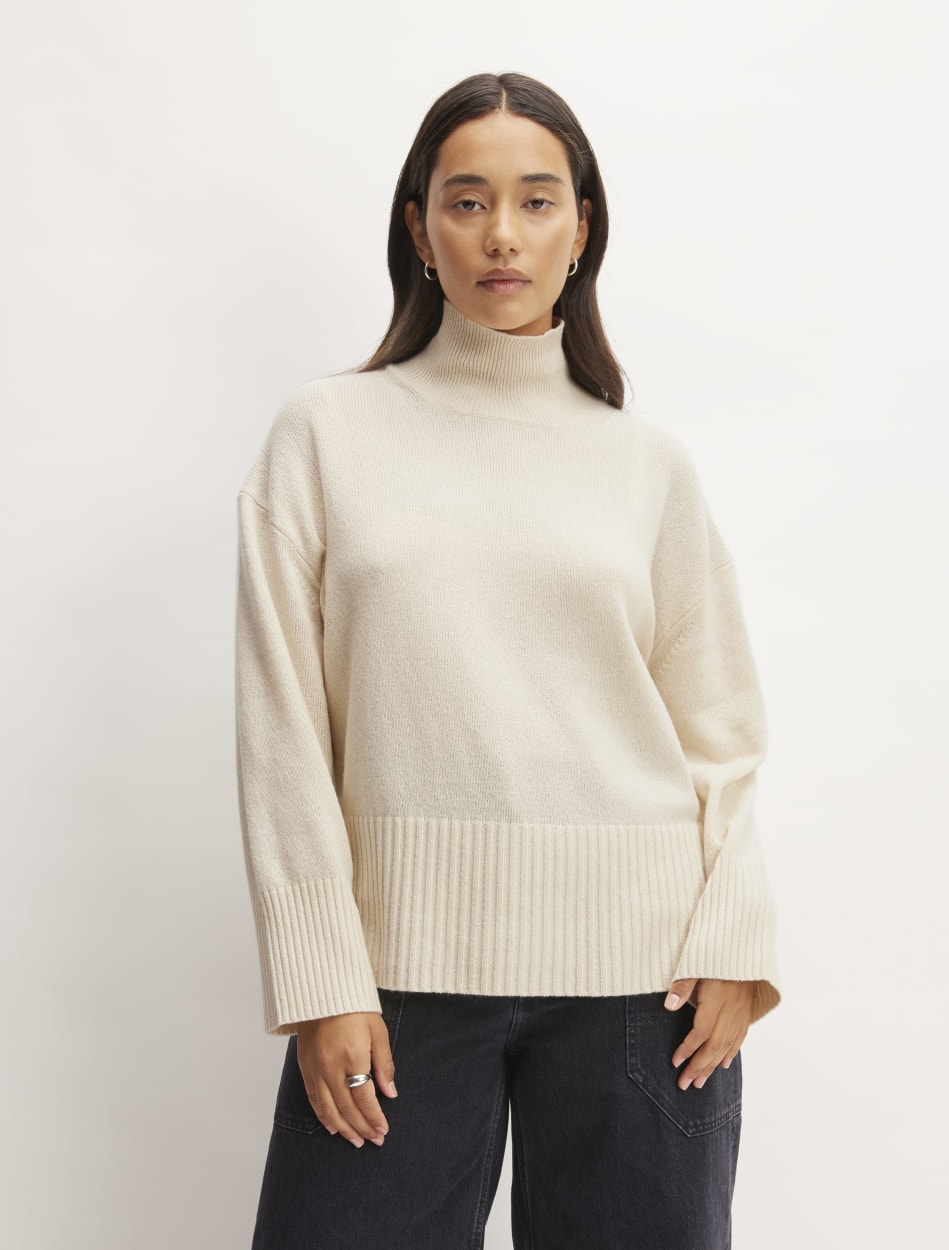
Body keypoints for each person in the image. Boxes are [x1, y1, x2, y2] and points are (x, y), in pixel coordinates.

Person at [235, 70, 780, 1250]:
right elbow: (282, 725)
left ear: (581, 229)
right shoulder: (324, 434)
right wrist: (321, 975)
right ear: (418, 227)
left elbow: (720, 726)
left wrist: (736, 936)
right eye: (467, 200)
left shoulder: (646, 464)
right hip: (394, 980)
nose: (501, 235)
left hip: (647, 984)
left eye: (536, 201)